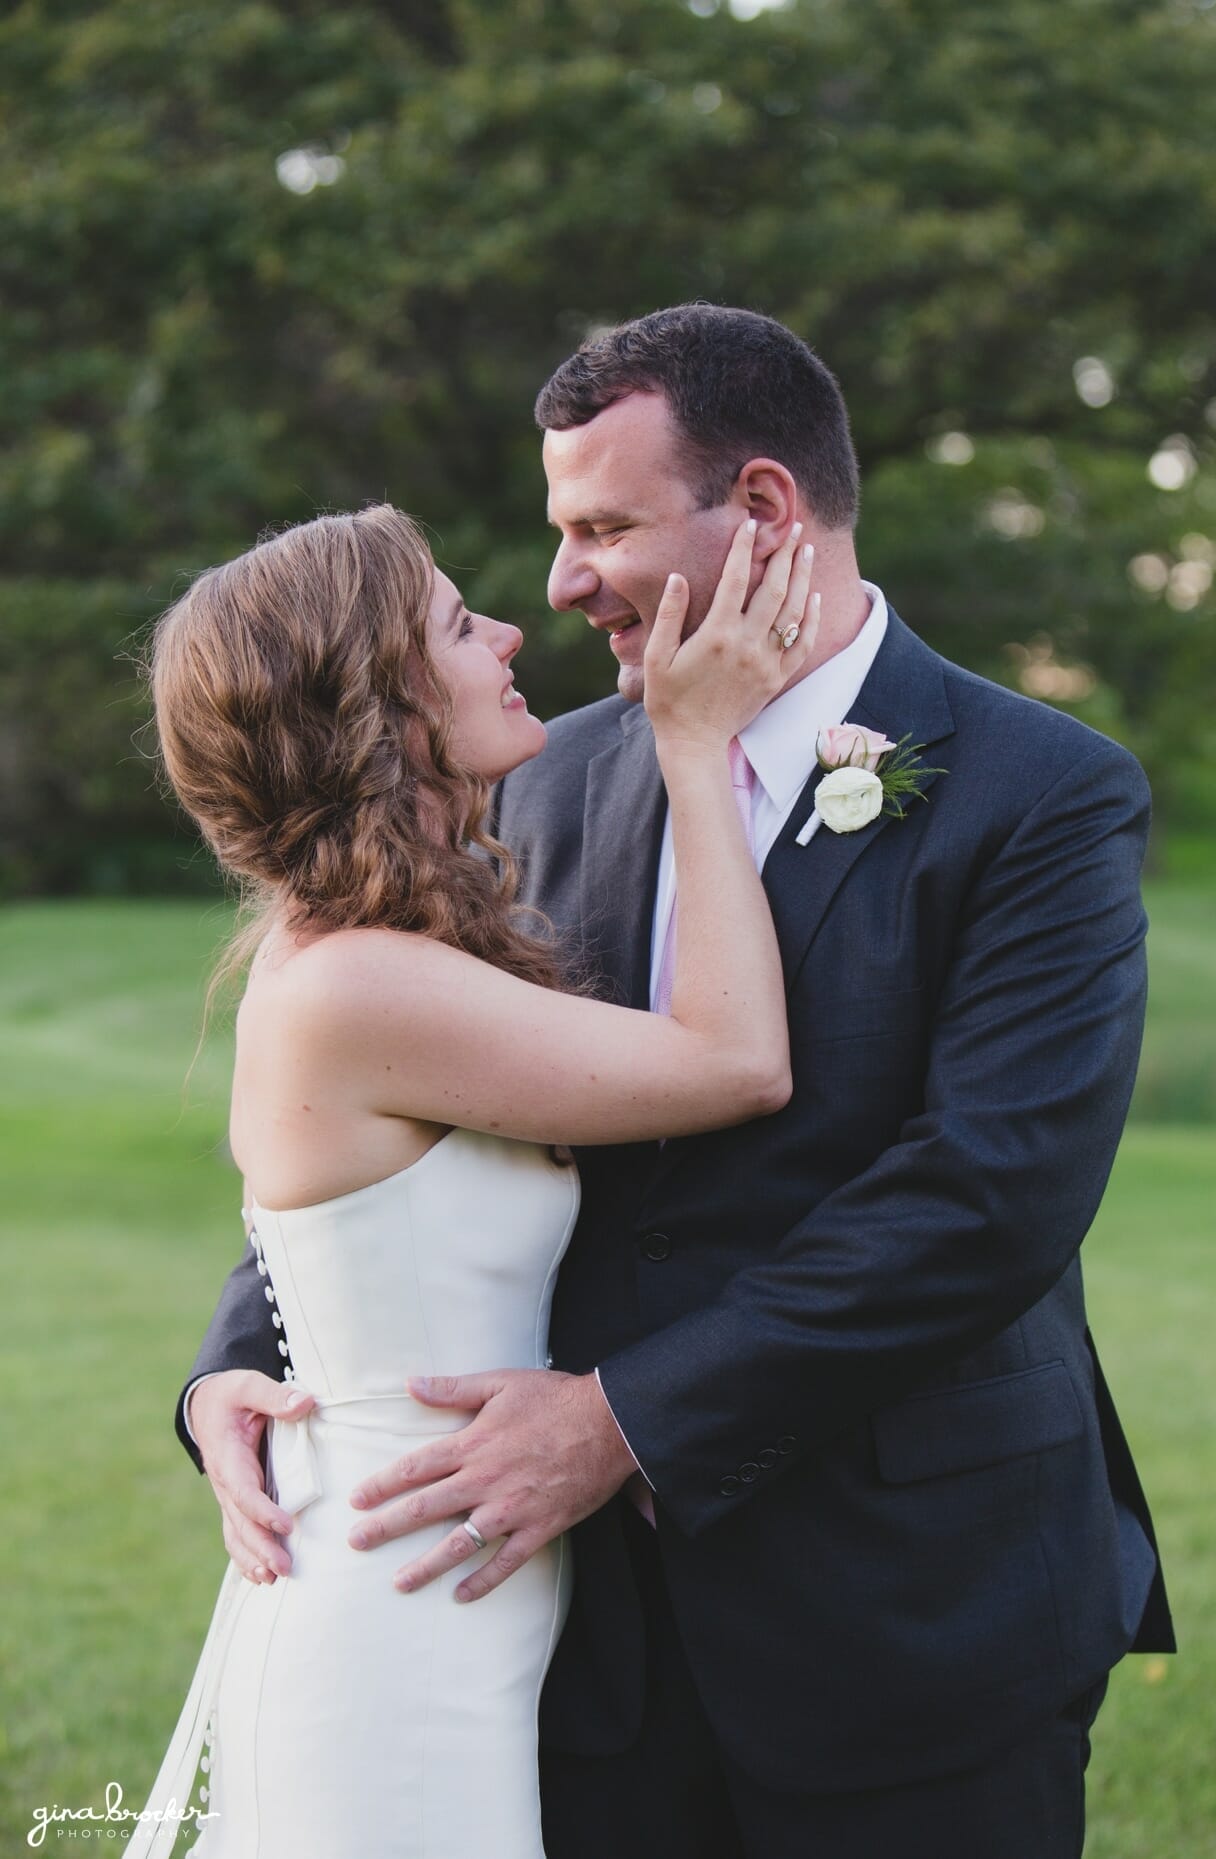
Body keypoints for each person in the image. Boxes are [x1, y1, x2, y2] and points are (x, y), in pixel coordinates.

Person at [182, 306, 1175, 1859]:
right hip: (585, 1650)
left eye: (602, 528)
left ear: (766, 509)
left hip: (907, 1610)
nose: (564, 581)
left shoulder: (1041, 792)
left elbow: (993, 1196)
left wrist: (624, 1421)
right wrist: (234, 1365)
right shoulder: (546, 773)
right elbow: (388, 1117)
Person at [131, 498, 817, 1859]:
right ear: (374, 702)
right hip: (389, 1627)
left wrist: (219, 1379)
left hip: (454, 1591)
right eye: (456, 621)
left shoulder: (390, 950)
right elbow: (737, 1060)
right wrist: (697, 742)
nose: (511, 630)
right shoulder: (358, 986)